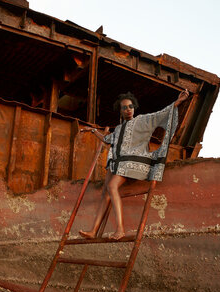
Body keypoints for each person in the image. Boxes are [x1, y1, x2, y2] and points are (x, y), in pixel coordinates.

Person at [79, 89, 189, 240]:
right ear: (121, 111)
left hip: (130, 163)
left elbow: (159, 115)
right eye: (124, 107)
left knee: (112, 187)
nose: (128, 109)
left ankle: (120, 229)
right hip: (115, 164)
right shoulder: (118, 129)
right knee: (105, 193)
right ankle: (93, 231)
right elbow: (107, 140)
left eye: (130, 106)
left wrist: (178, 102)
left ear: (134, 107)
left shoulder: (141, 121)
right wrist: (93, 131)